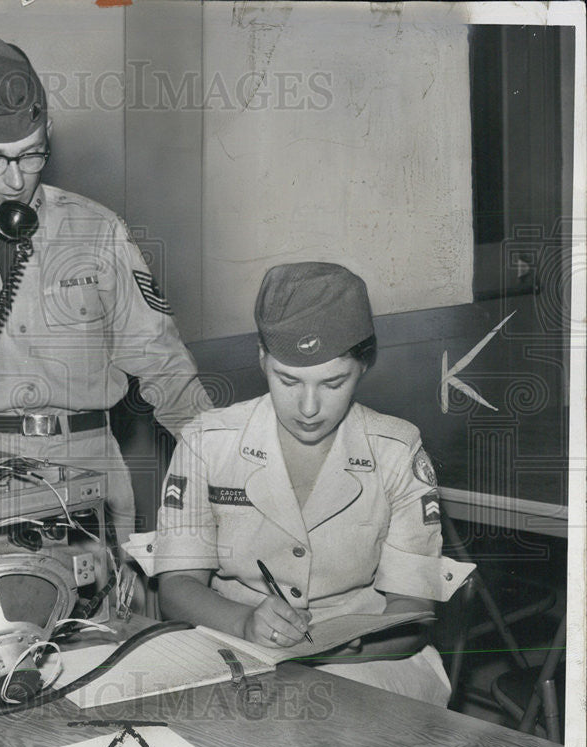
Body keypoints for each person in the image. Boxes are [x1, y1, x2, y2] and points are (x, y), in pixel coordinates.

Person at [0, 19, 212, 545]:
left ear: (49, 135)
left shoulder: (98, 229)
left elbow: (161, 362)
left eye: (32, 154)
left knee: (105, 623)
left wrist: (226, 466)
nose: (15, 178)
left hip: (91, 469)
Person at [149, 262, 471, 706]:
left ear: (365, 364)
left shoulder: (397, 450)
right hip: (235, 645)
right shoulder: (208, 442)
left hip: (368, 664)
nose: (308, 407)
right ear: (262, 357)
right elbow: (177, 586)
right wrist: (244, 622)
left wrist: (348, 647)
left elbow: (413, 612)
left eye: (333, 382)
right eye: (288, 380)